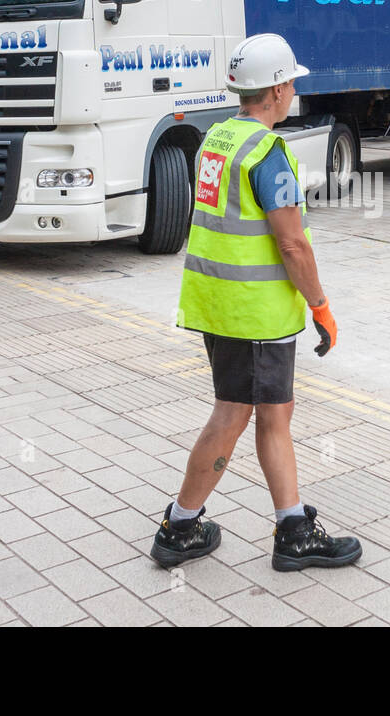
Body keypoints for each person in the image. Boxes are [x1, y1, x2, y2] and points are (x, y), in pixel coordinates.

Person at [150, 33, 361, 573]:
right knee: (235, 415)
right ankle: (181, 527)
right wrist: (320, 306)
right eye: (291, 82)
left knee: (272, 411)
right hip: (254, 314)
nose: (293, 91)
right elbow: (292, 243)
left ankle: (289, 526)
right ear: (276, 89)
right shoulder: (269, 155)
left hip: (217, 304)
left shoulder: (218, 139)